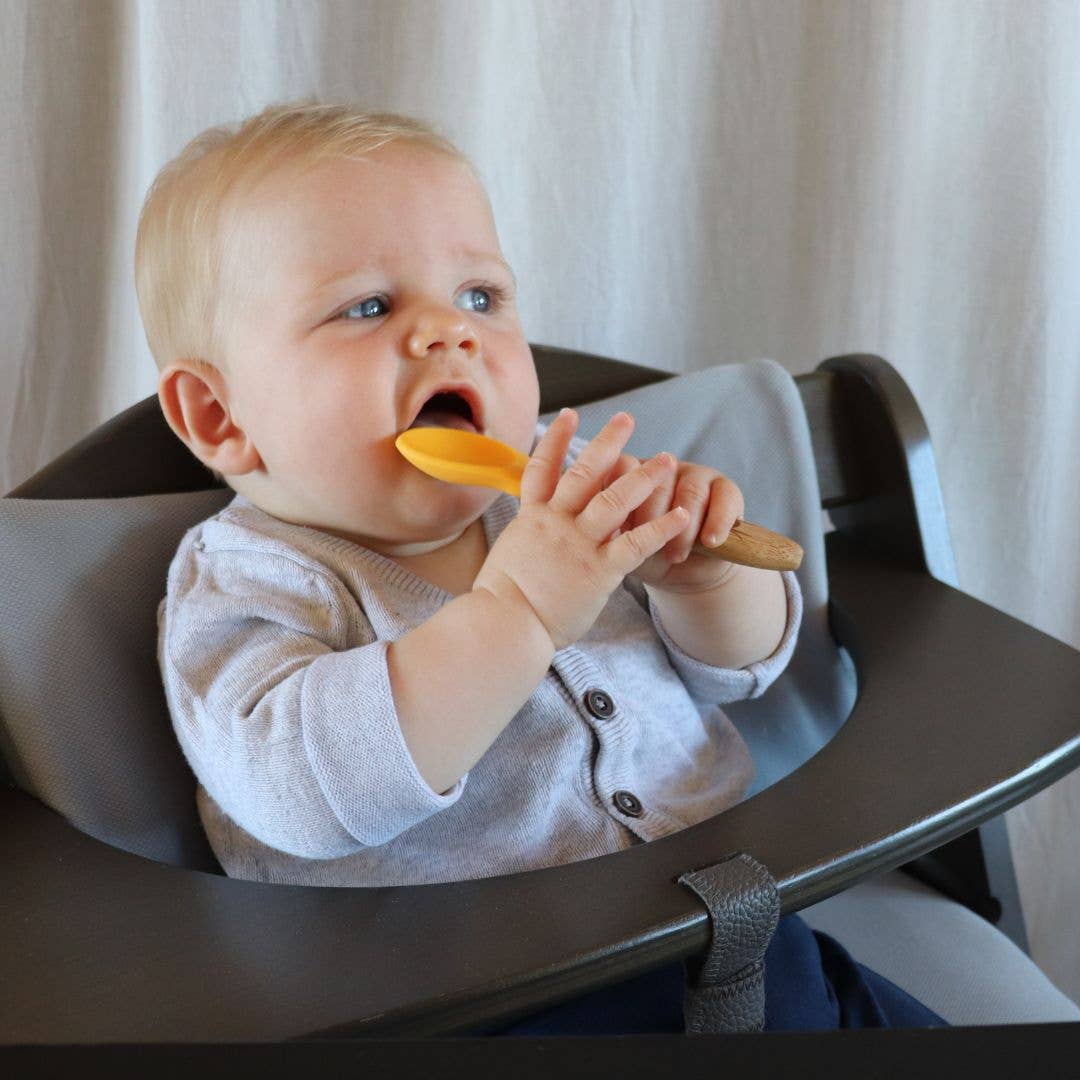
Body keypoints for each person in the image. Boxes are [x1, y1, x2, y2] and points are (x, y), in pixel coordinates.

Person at [139, 101, 943, 1032]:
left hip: (743, 930)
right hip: (491, 1001)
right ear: (221, 417)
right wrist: (519, 610)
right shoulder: (249, 582)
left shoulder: (561, 493)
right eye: (368, 306)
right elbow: (302, 793)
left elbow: (742, 672)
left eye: (480, 296)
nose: (451, 332)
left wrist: (707, 581)